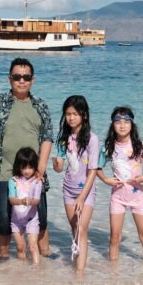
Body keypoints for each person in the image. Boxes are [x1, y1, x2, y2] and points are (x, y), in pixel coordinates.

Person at [0, 58, 54, 260]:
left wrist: (41, 167)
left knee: (40, 217)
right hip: (2, 171)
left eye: (26, 77)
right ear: (9, 79)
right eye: (16, 77)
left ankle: (45, 257)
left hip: (33, 173)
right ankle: (4, 259)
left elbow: (47, 137)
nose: (21, 81)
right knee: (3, 220)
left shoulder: (40, 106)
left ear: (32, 80)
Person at [96, 106, 143, 263]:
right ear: (112, 125)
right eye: (118, 121)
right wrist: (105, 179)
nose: (122, 125)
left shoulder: (140, 145)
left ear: (132, 124)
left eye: (126, 121)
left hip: (137, 197)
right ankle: (113, 275)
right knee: (114, 237)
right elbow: (96, 167)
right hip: (117, 197)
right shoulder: (109, 147)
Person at [52, 95, 99, 271]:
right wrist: (56, 164)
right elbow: (60, 168)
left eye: (75, 114)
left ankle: (79, 273)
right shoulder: (64, 138)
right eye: (68, 114)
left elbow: (93, 170)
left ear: (84, 115)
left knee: (81, 228)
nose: (71, 117)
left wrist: (81, 197)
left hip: (85, 191)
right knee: (74, 229)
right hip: (68, 190)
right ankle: (77, 263)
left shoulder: (91, 139)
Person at [8, 147, 43, 264]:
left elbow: (37, 200)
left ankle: (37, 270)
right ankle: (22, 274)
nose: (27, 171)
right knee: (20, 247)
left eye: (30, 167)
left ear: (35, 166)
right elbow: (12, 199)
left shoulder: (37, 181)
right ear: (18, 166)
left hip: (31, 219)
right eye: (24, 167)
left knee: (33, 246)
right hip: (16, 220)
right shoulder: (13, 181)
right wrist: (21, 202)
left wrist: (30, 202)